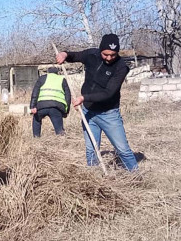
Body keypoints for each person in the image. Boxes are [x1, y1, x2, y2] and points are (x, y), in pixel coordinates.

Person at [56, 34, 139, 171]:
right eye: (106, 54)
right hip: (88, 112)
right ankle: (93, 178)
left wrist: (84, 98)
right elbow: (75, 56)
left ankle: (136, 177)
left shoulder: (121, 67)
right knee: (91, 149)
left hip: (108, 113)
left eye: (113, 55)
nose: (109, 58)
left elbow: (108, 93)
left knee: (122, 149)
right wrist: (65, 54)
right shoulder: (92, 54)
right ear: (100, 50)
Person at [30, 66, 71, 137]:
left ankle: (36, 137)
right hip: (56, 107)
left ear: (48, 72)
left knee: (36, 120)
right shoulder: (62, 79)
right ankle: (61, 138)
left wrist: (32, 106)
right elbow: (68, 96)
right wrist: (66, 111)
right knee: (59, 130)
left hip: (41, 106)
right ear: (57, 72)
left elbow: (35, 93)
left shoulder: (42, 78)